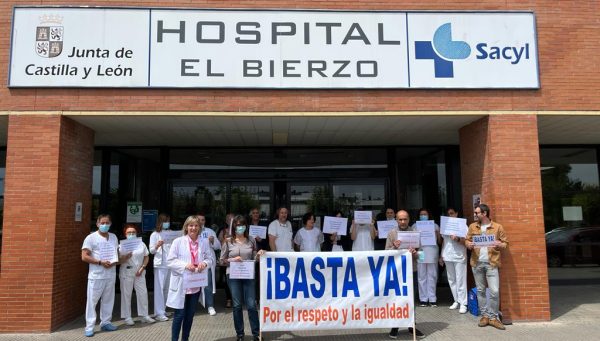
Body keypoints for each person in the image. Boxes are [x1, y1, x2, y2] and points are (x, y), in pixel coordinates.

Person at [166, 215, 213, 341]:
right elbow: (170, 261)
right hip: (182, 283)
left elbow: (210, 259)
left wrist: (205, 263)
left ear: (200, 228)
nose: (193, 228)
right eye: (191, 225)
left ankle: (185, 339)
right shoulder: (178, 242)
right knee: (179, 315)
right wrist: (185, 265)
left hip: (195, 284)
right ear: (186, 227)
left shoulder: (204, 242)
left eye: (196, 225)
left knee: (190, 316)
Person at [220, 215, 265, 341]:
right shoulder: (228, 241)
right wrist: (232, 260)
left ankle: (256, 334)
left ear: (246, 226)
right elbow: (221, 261)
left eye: (242, 225)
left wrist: (259, 255)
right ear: (233, 227)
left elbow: (255, 256)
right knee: (237, 305)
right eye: (237, 225)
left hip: (248, 275)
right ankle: (240, 334)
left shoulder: (251, 240)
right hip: (233, 276)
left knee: (251, 305)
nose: (240, 227)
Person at [466, 203, 509, 330]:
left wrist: (498, 244)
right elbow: (467, 240)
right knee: (480, 290)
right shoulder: (473, 226)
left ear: (484, 214)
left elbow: (506, 243)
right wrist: (469, 244)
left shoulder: (497, 227)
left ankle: (493, 317)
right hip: (477, 262)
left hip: (491, 263)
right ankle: (484, 316)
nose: (475, 215)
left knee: (494, 291)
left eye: (477, 213)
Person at [386, 210, 424, 338]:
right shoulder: (391, 233)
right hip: (396, 272)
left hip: (411, 271)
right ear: (396, 220)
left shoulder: (415, 233)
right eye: (400, 219)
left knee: (411, 300)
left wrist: (415, 253)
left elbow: (422, 256)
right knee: (396, 299)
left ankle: (411, 326)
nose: (402, 222)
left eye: (405, 219)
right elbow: (386, 254)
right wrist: (394, 248)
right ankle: (395, 327)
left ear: (409, 219)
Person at [81, 214, 119, 337]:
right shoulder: (91, 238)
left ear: (110, 224)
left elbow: (116, 254)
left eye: (107, 223)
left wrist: (123, 257)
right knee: (92, 301)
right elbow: (84, 256)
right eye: (102, 223)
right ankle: (89, 326)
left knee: (108, 300)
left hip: (110, 273)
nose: (105, 225)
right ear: (97, 224)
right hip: (96, 275)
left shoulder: (113, 237)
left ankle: (106, 322)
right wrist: (99, 262)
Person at [119, 224, 155, 325]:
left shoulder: (141, 244)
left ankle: (144, 315)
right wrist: (125, 257)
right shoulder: (121, 245)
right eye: (129, 233)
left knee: (142, 293)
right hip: (127, 272)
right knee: (126, 295)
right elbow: (117, 261)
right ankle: (127, 317)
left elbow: (146, 256)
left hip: (140, 271)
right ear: (125, 234)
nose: (131, 234)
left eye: (133, 232)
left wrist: (143, 267)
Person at [440, 207, 468, 313]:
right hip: (447, 255)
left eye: (452, 213)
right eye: (448, 214)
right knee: (452, 280)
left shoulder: (462, 225)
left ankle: (463, 303)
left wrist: (457, 239)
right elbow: (444, 241)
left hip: (459, 255)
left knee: (461, 280)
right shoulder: (445, 225)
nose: (450, 215)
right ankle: (456, 300)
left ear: (456, 213)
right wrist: (441, 254)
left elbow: (467, 240)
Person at [413, 208, 442, 307]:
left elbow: (440, 242)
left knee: (432, 276)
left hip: (432, 252)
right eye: (421, 214)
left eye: (425, 214)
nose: (423, 216)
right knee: (421, 276)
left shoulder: (435, 226)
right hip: (421, 252)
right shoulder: (415, 226)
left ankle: (432, 298)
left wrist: (437, 233)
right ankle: (423, 299)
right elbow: (412, 241)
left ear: (429, 215)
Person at [149, 213, 174, 322]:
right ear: (160, 222)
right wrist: (157, 245)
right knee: (159, 288)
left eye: (168, 221)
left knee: (167, 288)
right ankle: (159, 313)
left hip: (170, 263)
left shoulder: (171, 233)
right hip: (160, 264)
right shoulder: (155, 234)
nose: (167, 223)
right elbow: (151, 251)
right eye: (165, 221)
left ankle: (162, 310)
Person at [198, 213, 221, 316]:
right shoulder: (191, 231)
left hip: (206, 263)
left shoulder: (210, 231)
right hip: (194, 263)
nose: (200, 222)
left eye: (202, 220)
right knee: (191, 285)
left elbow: (218, 246)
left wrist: (213, 241)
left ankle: (210, 306)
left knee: (208, 285)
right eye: (198, 220)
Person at [217, 213, 236, 308]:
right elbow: (219, 244)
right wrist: (226, 240)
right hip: (226, 260)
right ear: (226, 221)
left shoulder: (239, 231)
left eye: (233, 219)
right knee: (227, 280)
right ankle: (228, 299)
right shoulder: (223, 231)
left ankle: (236, 298)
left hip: (237, 260)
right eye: (229, 219)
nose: (231, 221)